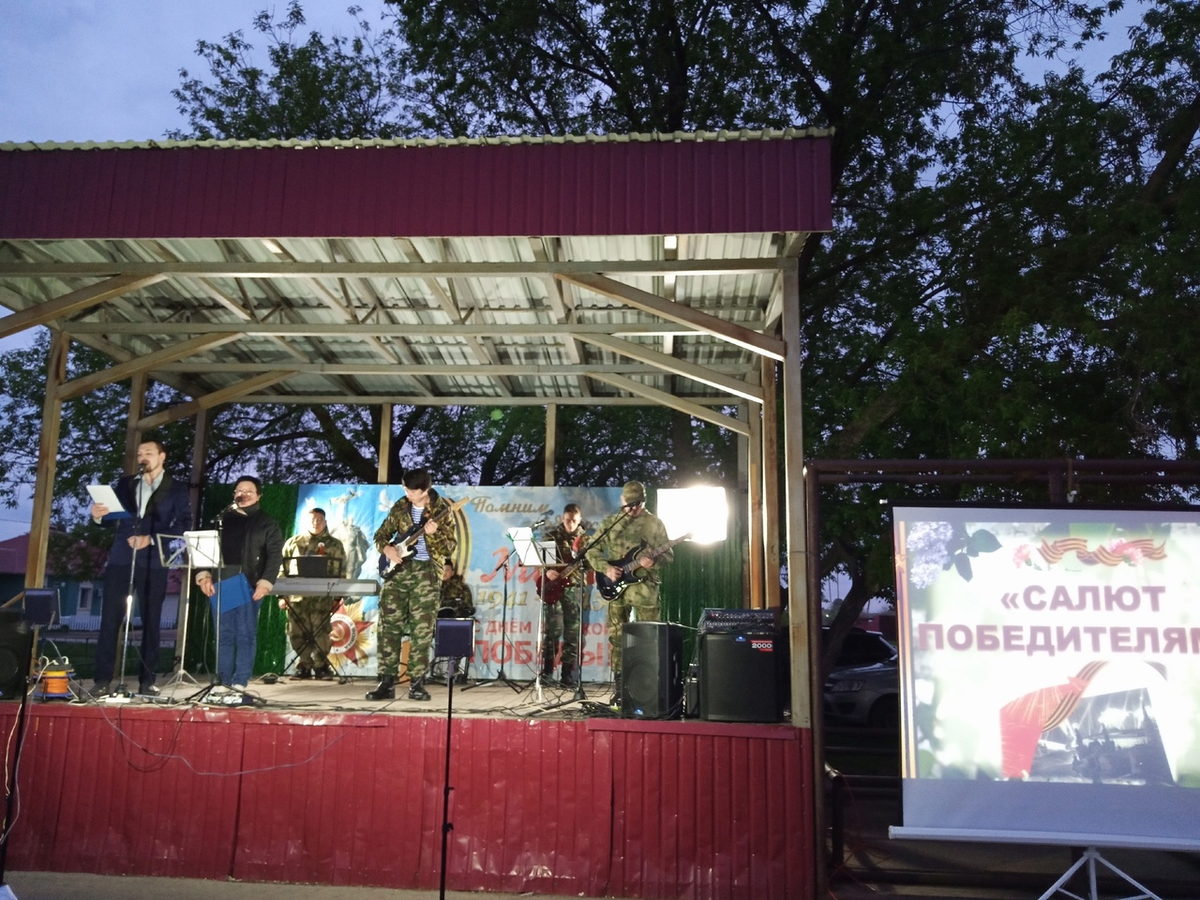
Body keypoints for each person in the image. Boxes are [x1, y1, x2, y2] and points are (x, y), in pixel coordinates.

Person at [89, 438, 191, 697]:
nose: (142, 456)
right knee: (110, 619)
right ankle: (102, 679)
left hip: (154, 560)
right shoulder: (126, 484)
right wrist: (98, 515)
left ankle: (148, 680)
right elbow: (111, 518)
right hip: (122, 557)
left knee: (151, 620)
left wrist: (152, 538)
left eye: (148, 452)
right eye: (139, 453)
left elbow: (185, 524)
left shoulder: (177, 488)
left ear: (162, 456)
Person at [367, 468, 459, 701]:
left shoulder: (442, 511)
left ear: (426, 490)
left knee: (421, 631)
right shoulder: (400, 506)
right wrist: (386, 548)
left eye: (412, 491)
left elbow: (449, 548)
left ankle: (417, 683)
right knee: (388, 628)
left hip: (425, 575)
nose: (407, 493)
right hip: (397, 574)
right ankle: (386, 682)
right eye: (405, 489)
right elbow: (380, 535)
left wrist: (434, 534)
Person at [585, 481, 674, 706]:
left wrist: (653, 561)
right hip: (616, 590)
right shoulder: (611, 522)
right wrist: (605, 568)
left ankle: (649, 689)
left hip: (645, 590)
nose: (633, 509)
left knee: (649, 638)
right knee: (617, 637)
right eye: (629, 504)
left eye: (638, 504)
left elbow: (669, 555)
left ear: (644, 501)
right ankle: (620, 689)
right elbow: (591, 550)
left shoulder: (655, 523)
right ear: (622, 500)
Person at [195, 476, 284, 691]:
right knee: (223, 635)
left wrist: (265, 582)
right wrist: (204, 575)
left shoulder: (267, 522)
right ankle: (222, 681)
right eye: (239, 490)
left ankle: (240, 681)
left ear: (258, 496)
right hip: (220, 582)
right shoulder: (221, 520)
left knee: (245, 634)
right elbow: (203, 548)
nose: (242, 493)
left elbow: (274, 556)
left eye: (249, 491)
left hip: (248, 582)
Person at [278, 507, 346, 680]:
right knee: (296, 632)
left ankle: (321, 666)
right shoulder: (293, 542)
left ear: (325, 521)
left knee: (321, 632)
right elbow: (282, 569)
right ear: (306, 522)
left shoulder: (335, 544)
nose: (316, 522)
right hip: (297, 598)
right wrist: (281, 594)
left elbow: (341, 571)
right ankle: (304, 665)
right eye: (312, 519)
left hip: (322, 599)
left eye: (319, 519)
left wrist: (338, 597)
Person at [539, 504, 586, 688]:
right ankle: (547, 673)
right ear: (562, 518)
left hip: (573, 590)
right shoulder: (551, 536)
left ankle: (567, 675)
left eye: (574, 520)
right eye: (567, 520)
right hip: (553, 590)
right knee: (551, 632)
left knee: (572, 633)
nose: (570, 524)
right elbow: (544, 561)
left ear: (579, 520)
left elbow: (591, 563)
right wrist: (548, 570)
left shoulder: (585, 540)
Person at [429, 561, 474, 685]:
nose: (444, 573)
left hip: (454, 623)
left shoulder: (461, 587)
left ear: (452, 572)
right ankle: (422, 673)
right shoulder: (431, 586)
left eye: (447, 570)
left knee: (459, 635)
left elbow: (468, 607)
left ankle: (454, 669)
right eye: (442, 570)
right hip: (435, 624)